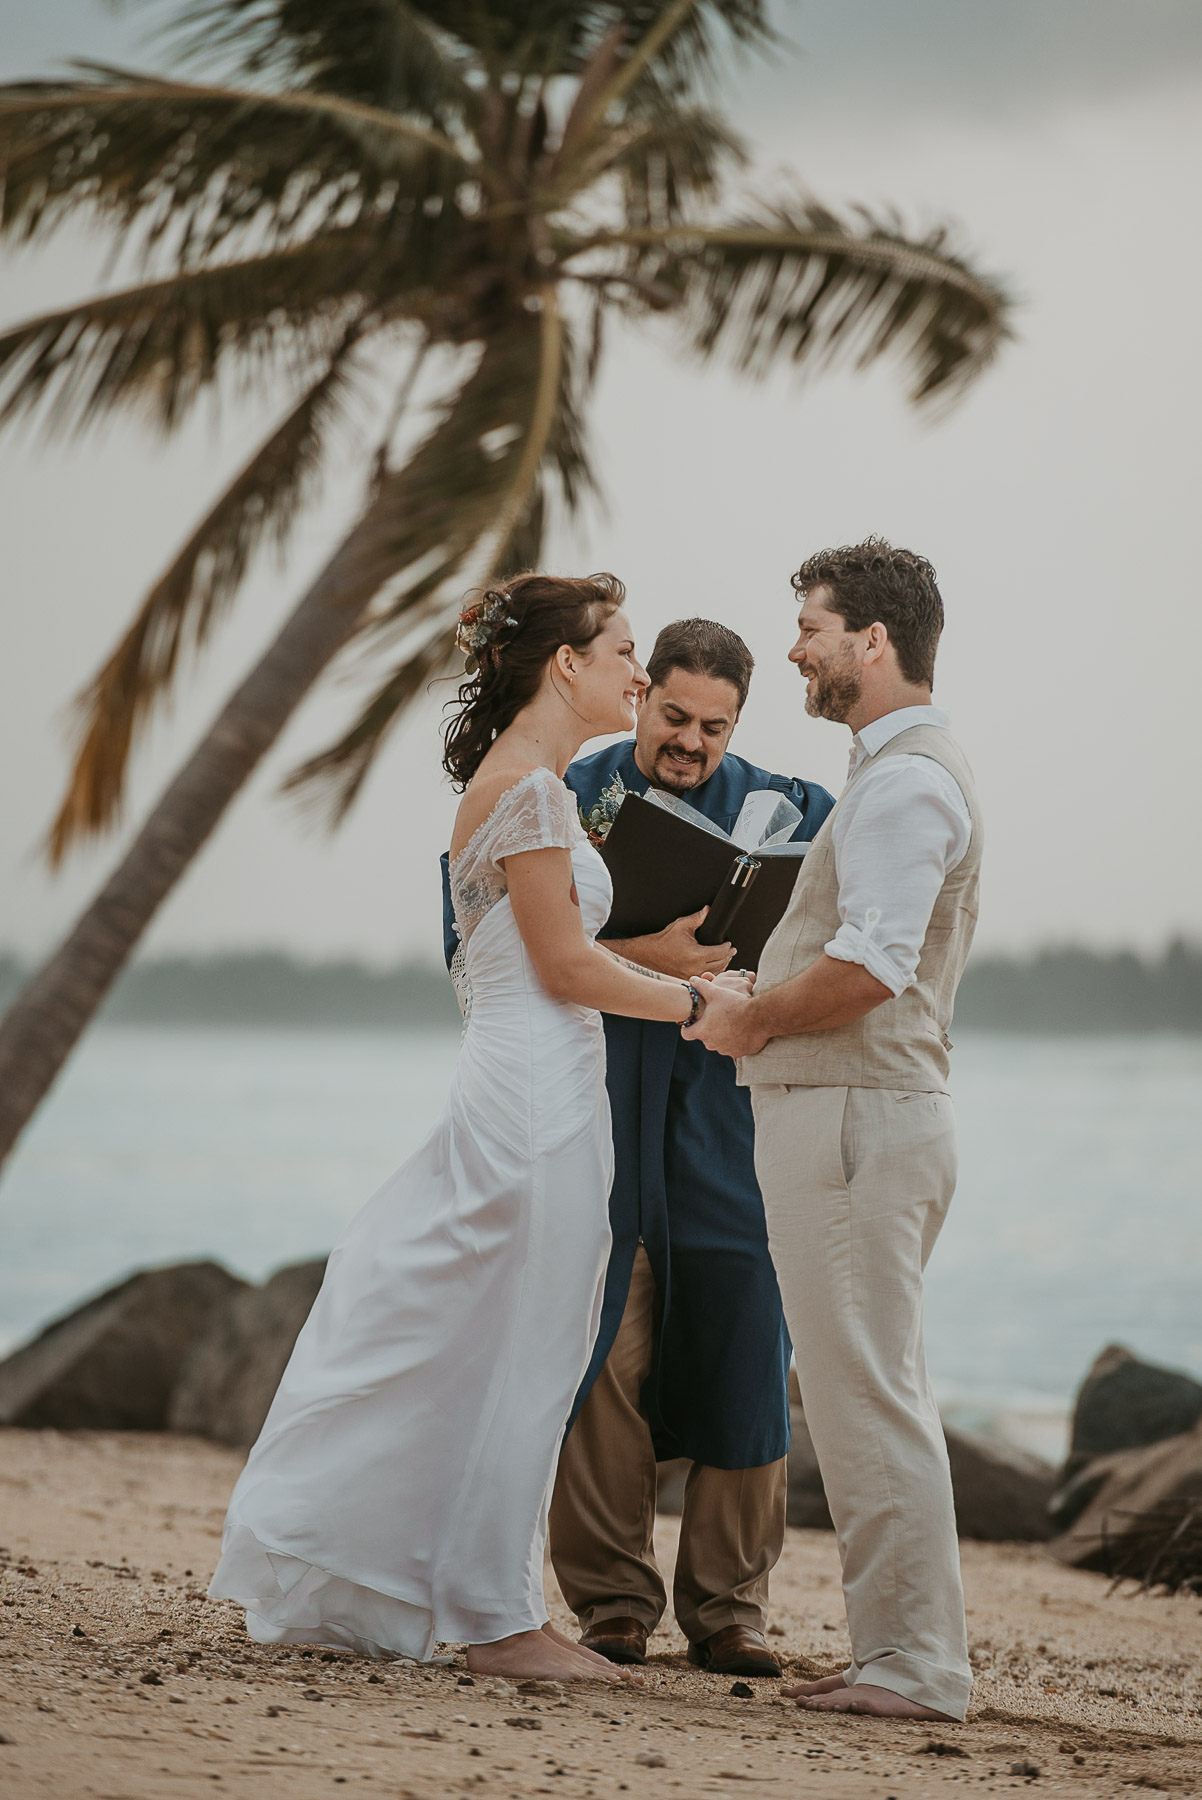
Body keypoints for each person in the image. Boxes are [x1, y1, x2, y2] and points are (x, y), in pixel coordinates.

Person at [210, 572, 745, 1683]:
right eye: (622, 653)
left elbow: (538, 949)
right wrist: (700, 1007)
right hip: (536, 1090)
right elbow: (558, 966)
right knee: (523, 1342)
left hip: (525, 1077)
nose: (636, 677)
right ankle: (500, 1623)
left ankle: (478, 1598)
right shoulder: (538, 797)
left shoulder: (520, 787)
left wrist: (658, 967)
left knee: (504, 1337)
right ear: (566, 664)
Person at [688, 541, 982, 1723]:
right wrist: (757, 994)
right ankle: (897, 1655)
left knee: (865, 1395)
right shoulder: (890, 774)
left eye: (809, 625)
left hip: (856, 1120)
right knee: (869, 1387)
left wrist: (750, 1020)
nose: (796, 648)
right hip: (852, 1117)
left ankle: (912, 1667)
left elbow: (872, 968)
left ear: (872, 639)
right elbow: (852, 956)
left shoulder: (908, 781)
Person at [539, 620, 833, 1676]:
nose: (689, 744)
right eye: (672, 717)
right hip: (602, 1113)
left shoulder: (801, 809)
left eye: (713, 727)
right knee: (598, 1356)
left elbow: (844, 948)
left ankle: (729, 1609)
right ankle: (612, 1600)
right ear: (641, 696)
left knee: (751, 1352)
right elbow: (489, 938)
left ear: (736, 721)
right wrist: (647, 956)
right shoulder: (569, 793)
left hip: (730, 1123)